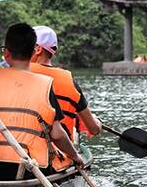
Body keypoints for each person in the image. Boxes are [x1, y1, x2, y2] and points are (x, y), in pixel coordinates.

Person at [0, 23, 85, 180]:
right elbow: (57, 134)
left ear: (5, 54)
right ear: (32, 52)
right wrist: (75, 156)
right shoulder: (45, 86)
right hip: (31, 168)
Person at [30, 26, 102, 162]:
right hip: (59, 157)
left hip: (19, 152)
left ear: (38, 49)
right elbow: (93, 128)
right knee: (75, 135)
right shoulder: (70, 82)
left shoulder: (17, 75)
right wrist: (98, 123)